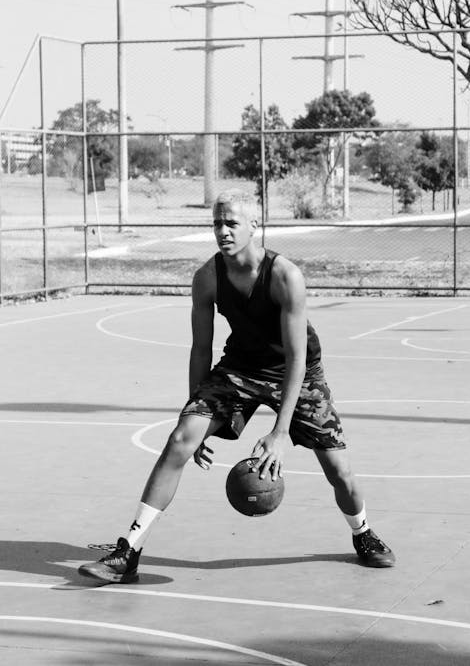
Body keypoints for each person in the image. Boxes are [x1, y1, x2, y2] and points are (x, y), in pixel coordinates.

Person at [79, 188, 395, 584]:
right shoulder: (207, 277)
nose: (222, 231)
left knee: (338, 470)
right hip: (240, 368)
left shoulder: (284, 276)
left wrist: (279, 434)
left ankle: (363, 533)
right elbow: (199, 349)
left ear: (254, 226)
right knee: (179, 440)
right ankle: (129, 553)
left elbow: (296, 358)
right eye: (217, 223)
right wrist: (194, 414)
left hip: (296, 371)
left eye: (231, 223)